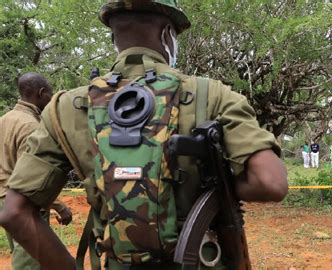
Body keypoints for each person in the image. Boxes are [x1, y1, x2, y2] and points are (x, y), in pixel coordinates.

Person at [0, 2, 288, 269]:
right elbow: (271, 182)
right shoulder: (213, 96)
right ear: (167, 35)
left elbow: (15, 213)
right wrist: (215, 189)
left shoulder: (64, 108)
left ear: (114, 34)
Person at [0, 73, 72, 270]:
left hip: (6, 202)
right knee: (30, 264)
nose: (51, 99)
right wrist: (60, 206)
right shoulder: (32, 127)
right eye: (49, 94)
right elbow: (31, 177)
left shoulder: (5, 119)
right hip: (25, 205)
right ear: (41, 94)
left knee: (21, 254)